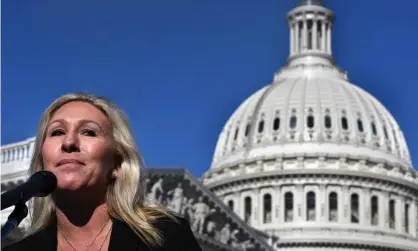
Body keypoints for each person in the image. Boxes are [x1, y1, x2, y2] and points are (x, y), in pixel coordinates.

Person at [3, 92, 202, 251]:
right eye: (57, 132)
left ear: (117, 164)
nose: (69, 142)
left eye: (89, 132)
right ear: (42, 159)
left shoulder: (166, 237)